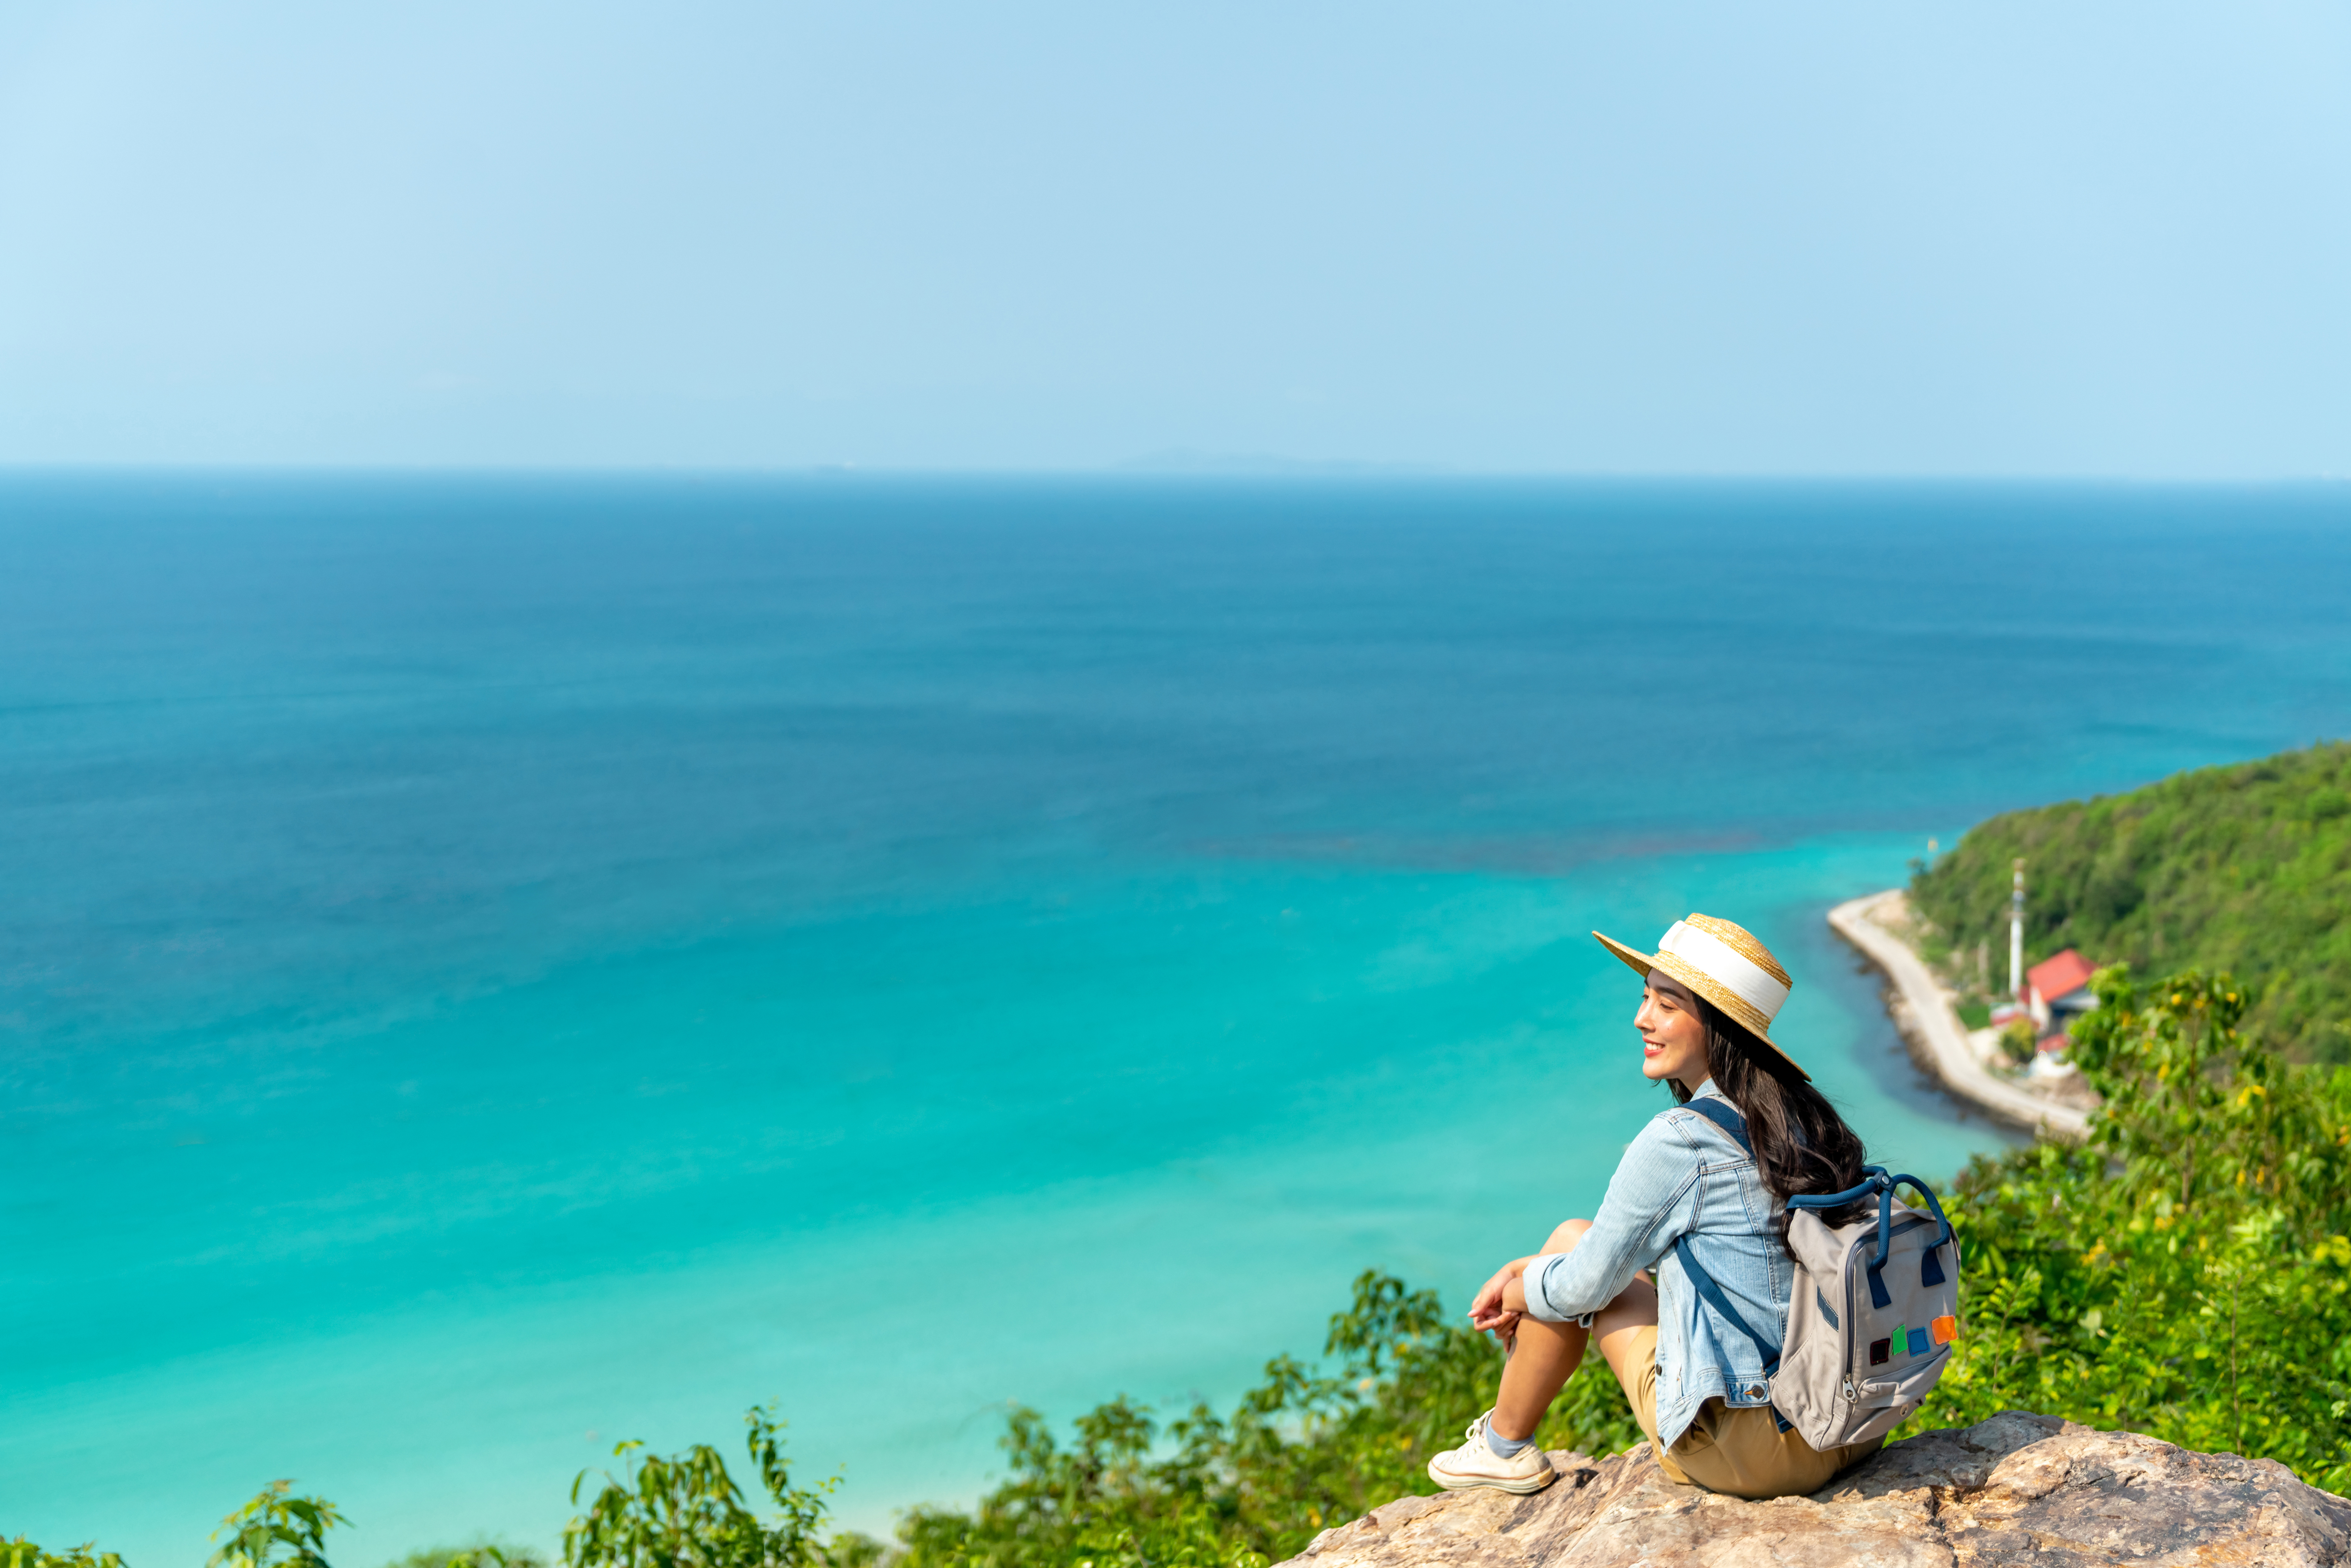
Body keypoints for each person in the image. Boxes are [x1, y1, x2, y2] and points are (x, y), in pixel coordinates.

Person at [1426, 913, 1882, 1501]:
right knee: (1569, 1249)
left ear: (1716, 1025)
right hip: (1850, 1423)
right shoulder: (1803, 1116)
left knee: (1568, 1250)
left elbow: (1582, 1290)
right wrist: (1527, 1273)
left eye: (1666, 1004)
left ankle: (1504, 1445)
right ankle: (1502, 1440)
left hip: (1755, 1451)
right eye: (1645, 997)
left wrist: (1514, 1289)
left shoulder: (1680, 1139)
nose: (1641, 1018)